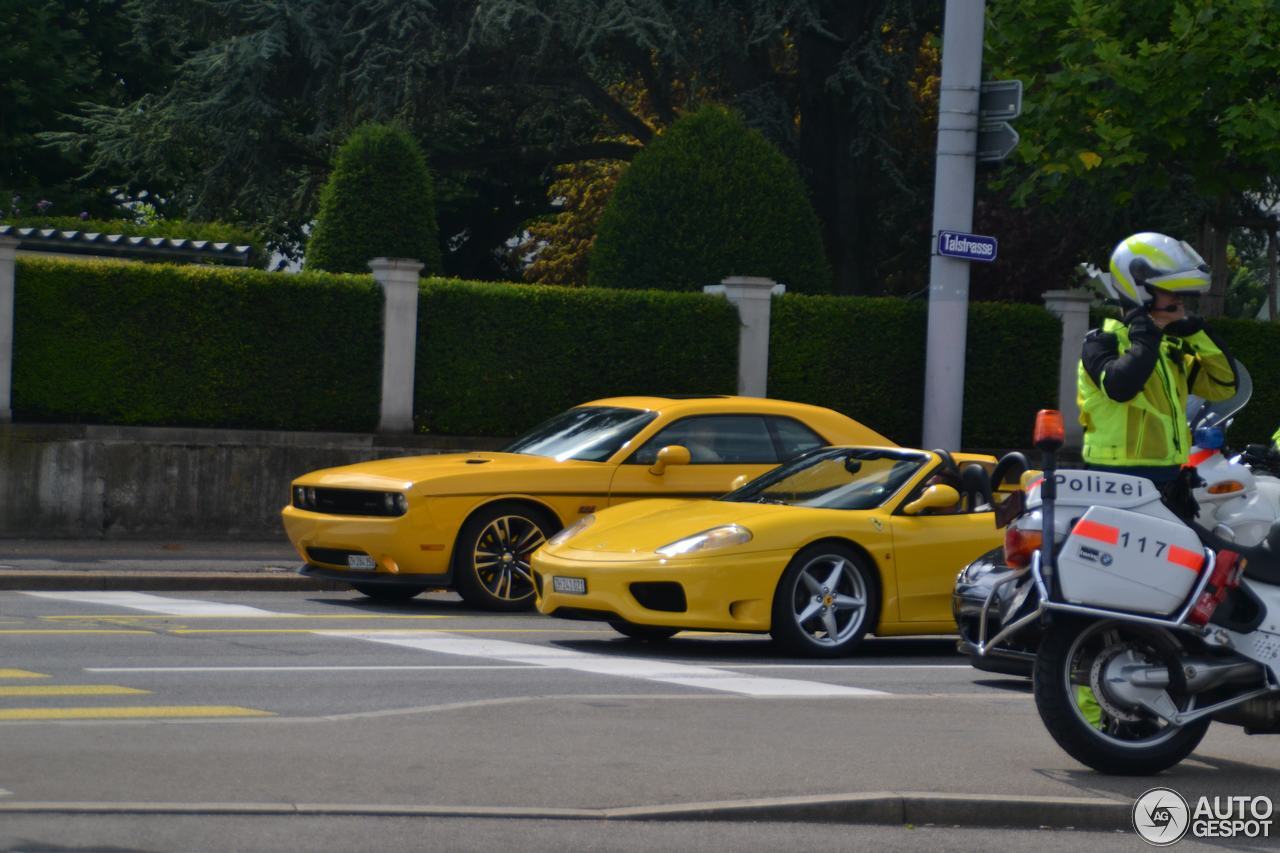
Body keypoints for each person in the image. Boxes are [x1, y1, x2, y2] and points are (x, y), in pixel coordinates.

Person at [1077, 232, 1238, 487]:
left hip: (1168, 474)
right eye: (1169, 290)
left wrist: (1197, 333)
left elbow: (1224, 386)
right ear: (1141, 291)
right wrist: (1144, 332)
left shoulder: (1168, 350)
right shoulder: (1101, 343)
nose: (1179, 298)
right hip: (1115, 478)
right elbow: (1120, 387)